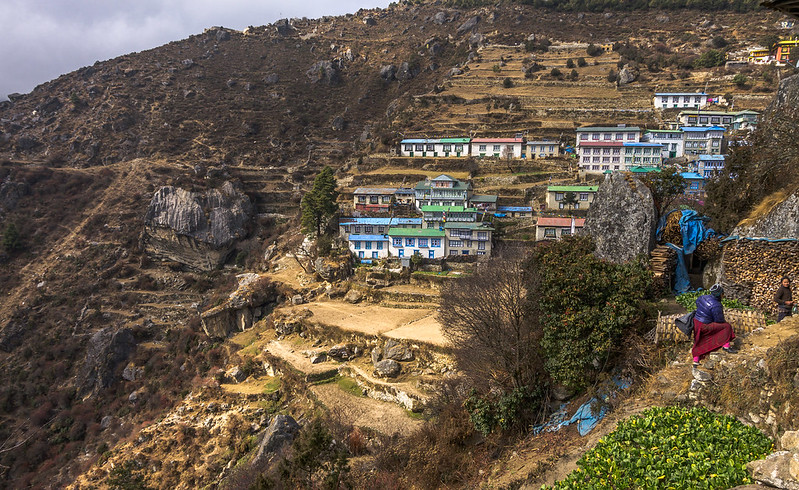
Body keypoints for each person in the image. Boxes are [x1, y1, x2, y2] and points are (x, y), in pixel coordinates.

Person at [692, 284, 736, 365]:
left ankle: (696, 359)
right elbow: (719, 320)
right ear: (719, 294)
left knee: (699, 340)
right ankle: (726, 346)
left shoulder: (703, 297)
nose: (723, 296)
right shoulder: (716, 305)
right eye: (722, 294)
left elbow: (697, 302)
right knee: (726, 327)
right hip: (704, 325)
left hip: (696, 322)